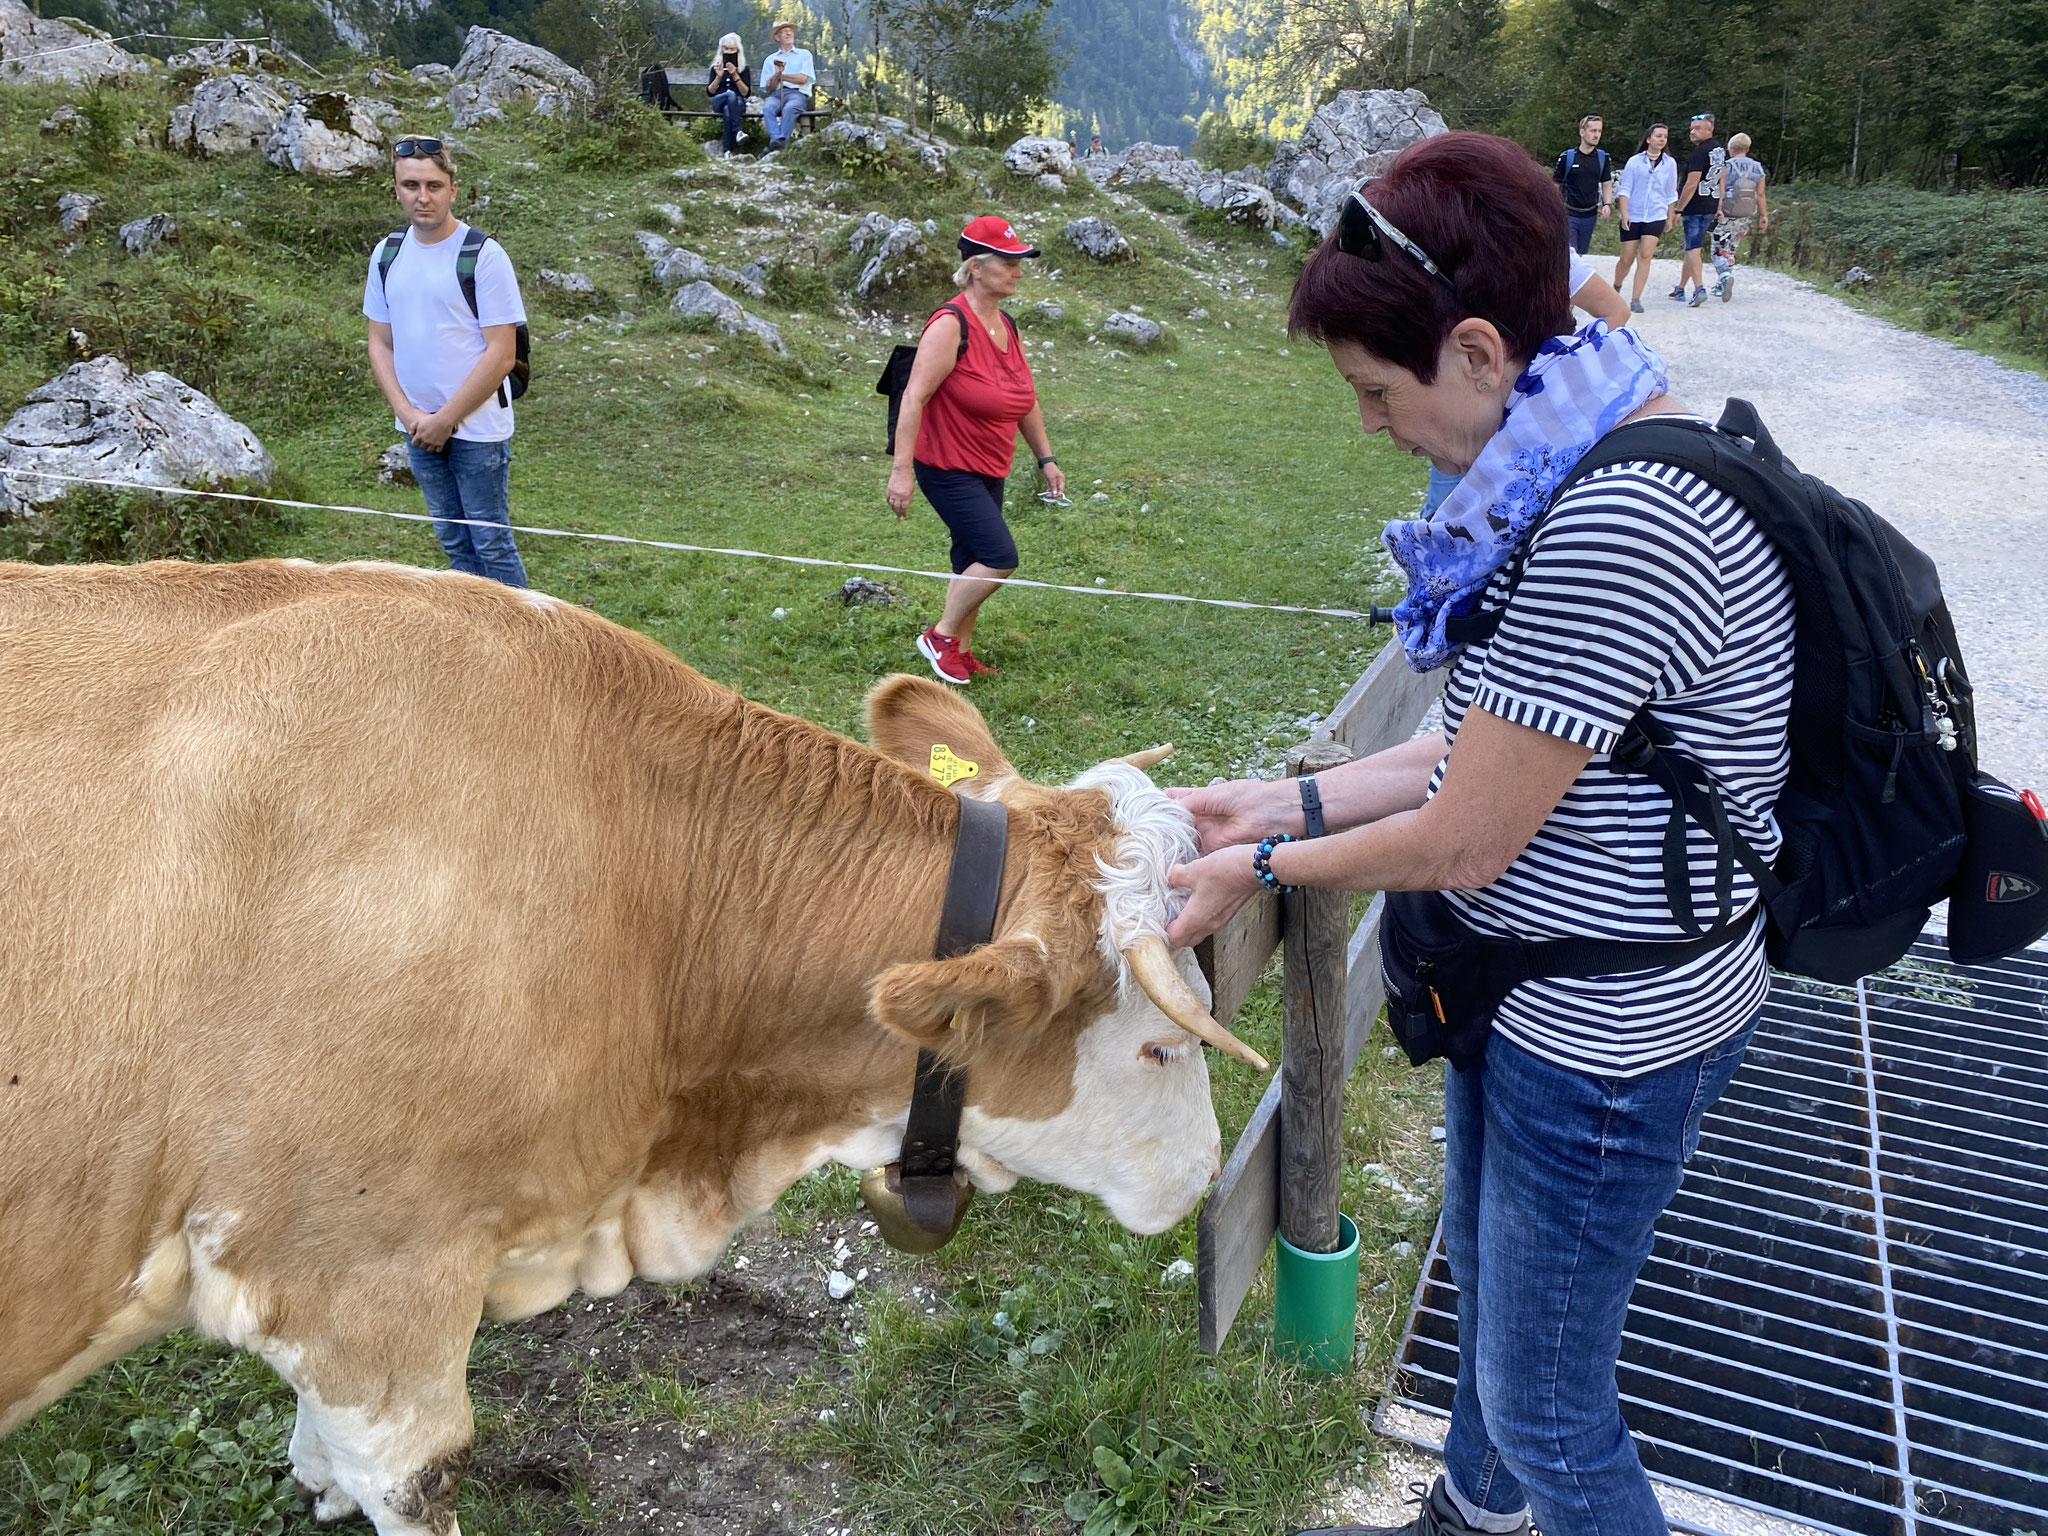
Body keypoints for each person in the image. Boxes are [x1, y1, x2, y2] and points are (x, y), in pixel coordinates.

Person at [1161, 131, 1794, 1536]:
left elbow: (1463, 841)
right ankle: (1470, 1505)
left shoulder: (1616, 525)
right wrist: (1280, 802)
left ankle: (1514, 1490)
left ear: (1480, 354)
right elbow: (1482, 742)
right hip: (1537, 997)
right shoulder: (1571, 460)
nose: (1371, 425)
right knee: (1503, 1340)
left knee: (1555, 1412)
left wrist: (1254, 868)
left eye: (1377, 392)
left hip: (1612, 1040)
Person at [885, 216, 1066, 684]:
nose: (1018, 270)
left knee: (969, 559)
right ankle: (941, 637)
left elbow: (1024, 398)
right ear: (977, 268)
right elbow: (914, 397)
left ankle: (960, 651)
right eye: (1009, 261)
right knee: (999, 554)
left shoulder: (1006, 323)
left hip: (990, 463)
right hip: (946, 466)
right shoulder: (950, 324)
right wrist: (901, 471)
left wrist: (1045, 460)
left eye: (1019, 261)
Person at [364, 137, 529, 588]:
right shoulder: (387, 254)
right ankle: (477, 641)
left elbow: (502, 352)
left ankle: (533, 647)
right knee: (452, 540)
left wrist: (446, 419)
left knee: (491, 543)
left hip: (477, 428)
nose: (423, 197)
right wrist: (411, 416)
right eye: (411, 185)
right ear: (396, 189)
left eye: (434, 185)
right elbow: (380, 342)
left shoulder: (484, 256)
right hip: (416, 427)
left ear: (453, 190)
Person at [1419, 250, 1631, 512]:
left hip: (1529, 412)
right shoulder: (1446, 237)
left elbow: (1616, 311)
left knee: (1519, 511)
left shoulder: (1547, 249)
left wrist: (1565, 369)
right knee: (1444, 507)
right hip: (1458, 403)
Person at [1610, 123, 1676, 314]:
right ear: (1649, 139)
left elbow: (1670, 192)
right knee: (1626, 258)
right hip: (1634, 214)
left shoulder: (1669, 163)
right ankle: (1617, 285)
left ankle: (1636, 298)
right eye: (1658, 136)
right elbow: (1625, 189)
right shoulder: (1635, 162)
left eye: (1664, 136)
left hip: (1656, 214)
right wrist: (1624, 214)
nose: (1662, 139)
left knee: (1646, 255)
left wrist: (1670, 216)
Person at [1673, 112, 1726, 307]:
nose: (1693, 132)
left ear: (1709, 129)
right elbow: (1722, 177)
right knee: (1691, 246)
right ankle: (1680, 288)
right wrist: (1720, 203)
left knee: (1693, 248)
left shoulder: (1699, 153)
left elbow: (1691, 183)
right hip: (1710, 203)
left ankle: (1699, 288)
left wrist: (1679, 209)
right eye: (1691, 129)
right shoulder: (1719, 149)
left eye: (1698, 129)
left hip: (1695, 205)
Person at [1711, 133, 1769, 302]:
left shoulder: (1726, 166)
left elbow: (1720, 191)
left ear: (1731, 149)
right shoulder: (1757, 167)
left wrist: (1718, 209)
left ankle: (1724, 277)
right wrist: (1764, 215)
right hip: (1746, 215)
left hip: (1727, 214)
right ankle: (1721, 284)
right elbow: (1761, 194)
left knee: (1717, 249)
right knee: (1731, 249)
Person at [1551, 114, 1612, 255]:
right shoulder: (1567, 157)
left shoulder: (1603, 158)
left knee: (1580, 254)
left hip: (1590, 214)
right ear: (1582, 132)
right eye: (1593, 131)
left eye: (1599, 131)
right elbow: (1555, 184)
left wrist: (1607, 204)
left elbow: (1606, 182)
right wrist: (1554, 206)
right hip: (1569, 212)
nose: (1597, 135)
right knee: (1570, 253)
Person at [758, 19, 813, 150]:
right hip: (776, 95)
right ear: (777, 37)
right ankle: (778, 142)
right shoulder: (770, 60)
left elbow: (803, 78)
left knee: (790, 108)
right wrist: (776, 76)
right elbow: (769, 89)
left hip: (797, 94)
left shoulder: (804, 55)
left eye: (790, 31)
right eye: (784, 32)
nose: (789, 34)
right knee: (768, 108)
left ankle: (776, 146)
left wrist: (781, 76)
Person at [705, 33, 751, 156]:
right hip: (719, 100)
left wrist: (735, 75)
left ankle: (727, 151)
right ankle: (738, 132)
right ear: (722, 50)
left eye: (732, 49)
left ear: (738, 51)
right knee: (730, 95)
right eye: (726, 48)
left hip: (738, 102)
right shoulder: (716, 68)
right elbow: (710, 92)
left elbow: (745, 93)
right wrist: (718, 77)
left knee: (727, 110)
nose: (729, 52)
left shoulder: (743, 69)